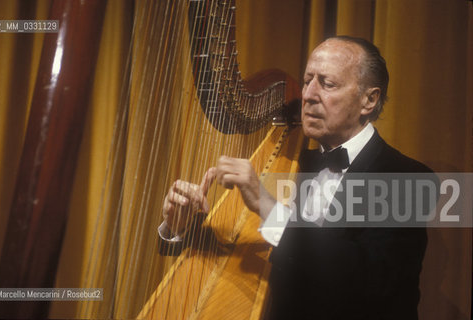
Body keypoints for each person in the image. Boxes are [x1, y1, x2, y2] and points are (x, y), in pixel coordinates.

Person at [159, 36, 431, 319]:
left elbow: (372, 281)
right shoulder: (291, 163)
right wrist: (181, 226)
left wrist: (267, 206)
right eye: (307, 81)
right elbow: (235, 246)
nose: (309, 95)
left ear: (369, 100)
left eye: (327, 84)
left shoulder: (409, 179)